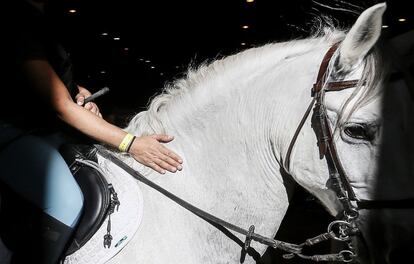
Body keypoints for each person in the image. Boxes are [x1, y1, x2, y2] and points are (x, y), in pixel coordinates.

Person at [0, 0, 183, 263]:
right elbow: (59, 105)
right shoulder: (14, 17)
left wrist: (78, 92)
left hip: (45, 131)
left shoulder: (43, 18)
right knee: (66, 202)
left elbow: (47, 80)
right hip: (13, 133)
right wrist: (131, 143)